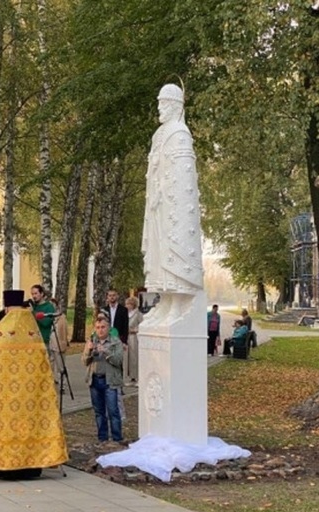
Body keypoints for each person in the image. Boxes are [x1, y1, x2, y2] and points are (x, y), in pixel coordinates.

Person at [0, 289, 68, 479]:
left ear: (8, 307)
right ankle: (32, 465)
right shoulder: (32, 332)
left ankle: (0, 466)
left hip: (3, 399)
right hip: (30, 398)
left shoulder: (1, 333)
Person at [141, 84, 204, 323]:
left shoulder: (180, 133)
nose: (159, 108)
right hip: (157, 206)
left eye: (163, 103)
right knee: (158, 253)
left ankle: (178, 303)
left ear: (175, 105)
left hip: (173, 207)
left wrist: (164, 192)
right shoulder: (159, 135)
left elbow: (182, 175)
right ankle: (165, 301)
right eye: (159, 103)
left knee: (173, 249)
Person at [82, 315, 124, 447]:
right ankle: (102, 438)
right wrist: (89, 351)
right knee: (99, 412)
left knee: (113, 411)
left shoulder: (115, 342)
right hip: (94, 380)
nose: (100, 330)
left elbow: (119, 361)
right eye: (98, 327)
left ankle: (117, 438)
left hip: (109, 381)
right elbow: (84, 361)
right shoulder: (91, 341)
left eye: (103, 327)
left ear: (108, 328)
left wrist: (105, 351)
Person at [48, 297, 68, 383]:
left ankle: (62, 383)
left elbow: (65, 331)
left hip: (58, 344)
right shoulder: (48, 316)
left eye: (53, 305)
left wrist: (64, 343)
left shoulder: (62, 317)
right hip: (50, 344)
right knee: (50, 364)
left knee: (60, 366)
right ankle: (52, 380)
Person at [30, 284, 56, 349]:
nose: (34, 296)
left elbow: (46, 323)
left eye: (36, 293)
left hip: (44, 341)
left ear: (41, 294)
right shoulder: (34, 307)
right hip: (33, 340)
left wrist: (33, 312)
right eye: (32, 294)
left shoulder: (49, 307)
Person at [124, 296, 143, 385]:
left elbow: (142, 325)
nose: (127, 306)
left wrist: (135, 330)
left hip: (135, 337)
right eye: (127, 304)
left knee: (135, 357)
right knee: (129, 358)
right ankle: (132, 377)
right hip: (127, 337)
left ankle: (138, 377)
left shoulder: (138, 314)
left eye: (129, 304)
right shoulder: (126, 314)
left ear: (133, 305)